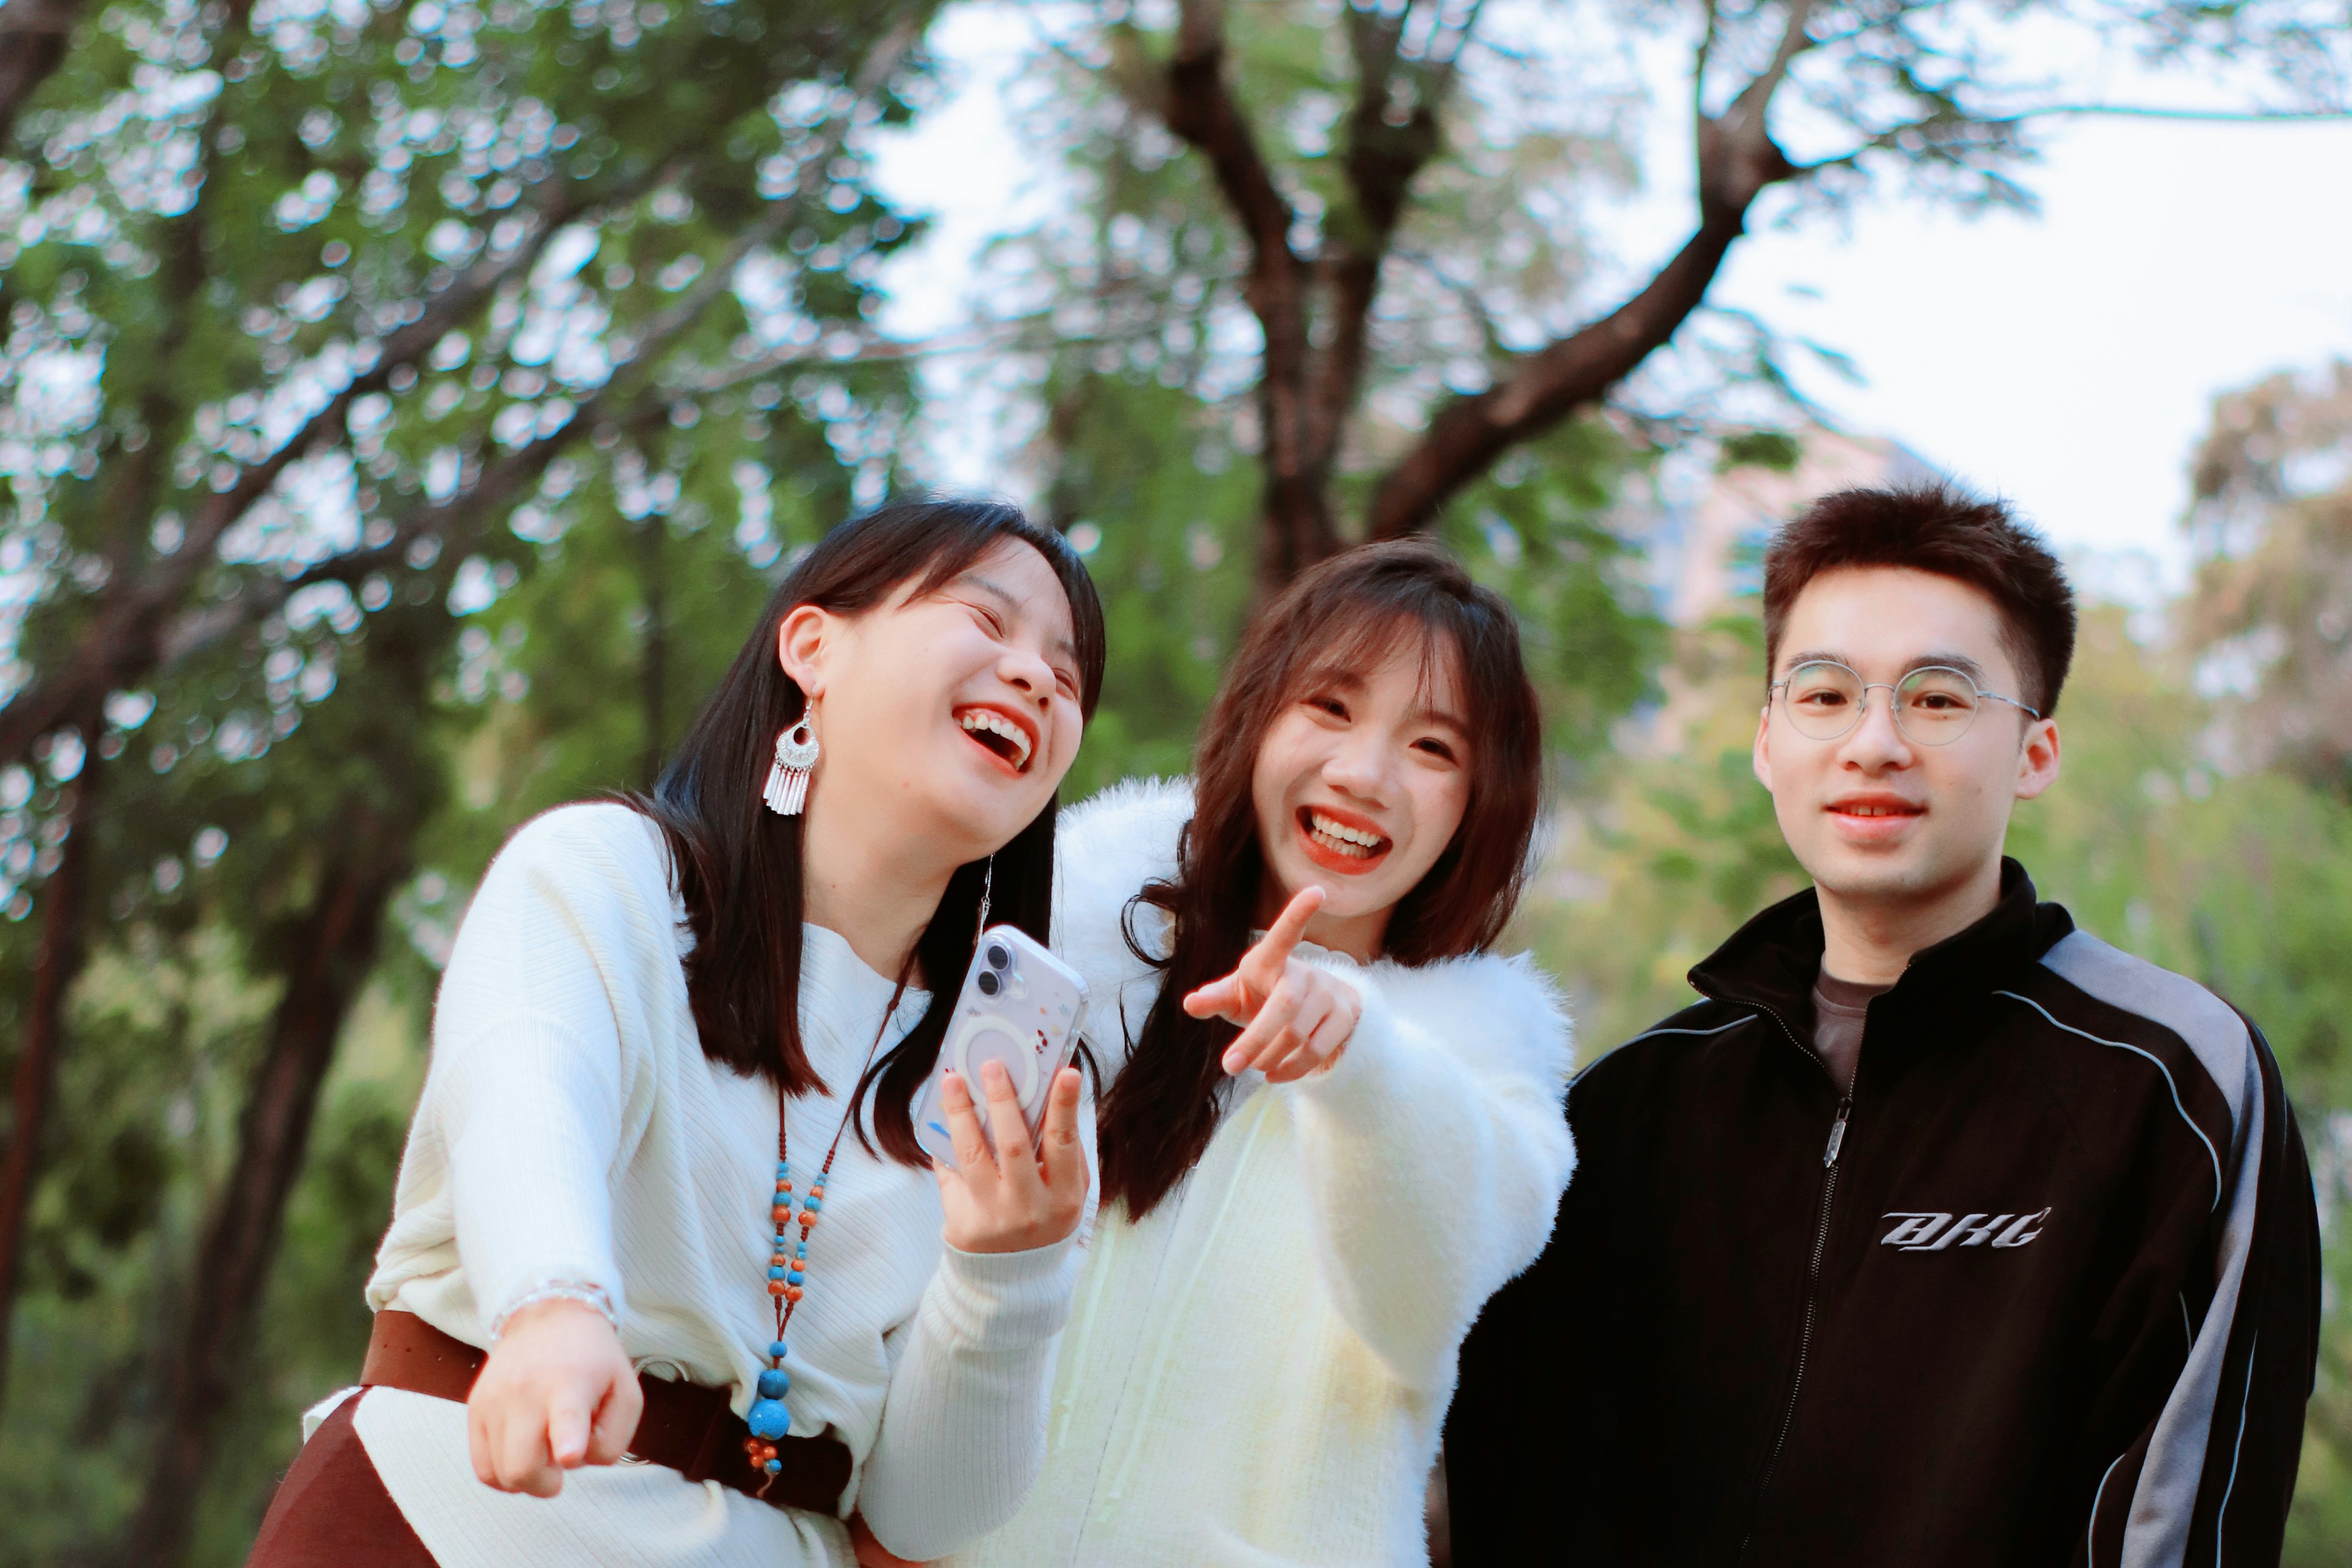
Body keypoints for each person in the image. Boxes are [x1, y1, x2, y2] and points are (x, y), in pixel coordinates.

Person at [1446, 485, 2321, 1567]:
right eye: (1824, 695)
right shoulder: (1628, 1110)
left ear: (2037, 752)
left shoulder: (2171, 1085)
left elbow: (2185, 1527)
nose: (1875, 743)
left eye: (1939, 699)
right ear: (1769, 740)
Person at [246, 499, 1107, 1568]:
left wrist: (1006, 1274)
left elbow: (923, 1521)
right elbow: (525, 1083)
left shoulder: (1008, 1094)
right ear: (812, 648)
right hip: (452, 1522)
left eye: (1068, 679)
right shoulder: (611, 878)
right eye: (987, 621)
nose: (1034, 677)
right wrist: (553, 1299)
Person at [943, 539, 1576, 1568]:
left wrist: (1360, 1060)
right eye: (1329, 708)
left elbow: (1420, 1315)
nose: (1363, 775)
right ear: (1258, 718)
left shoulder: (1478, 1073)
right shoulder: (1070, 946)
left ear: (1481, 804)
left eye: (1433, 749)